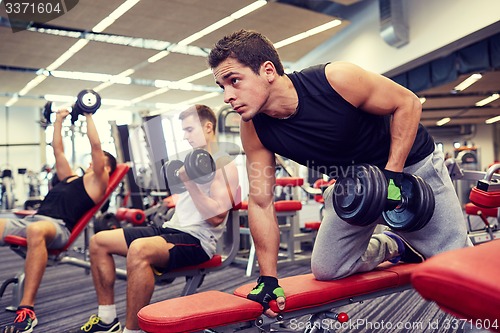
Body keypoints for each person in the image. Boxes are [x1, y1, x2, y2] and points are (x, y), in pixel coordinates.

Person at [208, 29, 472, 317]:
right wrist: (269, 278)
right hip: (355, 185)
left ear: (268, 70)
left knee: (458, 266)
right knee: (328, 269)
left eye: (234, 81)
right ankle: (394, 244)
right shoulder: (254, 129)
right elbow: (261, 201)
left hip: (410, 166)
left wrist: (392, 176)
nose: (227, 96)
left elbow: (407, 103)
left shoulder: (336, 80)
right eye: (222, 86)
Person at [68, 104, 239, 333]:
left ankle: (132, 331)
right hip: (171, 229)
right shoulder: (197, 160)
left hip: (198, 240)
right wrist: (181, 196)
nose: (185, 136)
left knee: (139, 249)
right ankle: (107, 320)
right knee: (99, 241)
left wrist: (189, 183)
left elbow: (217, 218)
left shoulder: (223, 165)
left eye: (189, 130)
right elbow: (197, 199)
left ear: (208, 127)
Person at [0, 109, 117, 333]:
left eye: (99, 159)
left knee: (35, 230)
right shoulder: (70, 177)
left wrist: (88, 114)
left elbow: (95, 147)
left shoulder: (98, 184)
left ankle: (26, 311)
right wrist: (59, 120)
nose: (93, 160)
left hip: (57, 227)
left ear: (106, 168)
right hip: (34, 221)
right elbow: (57, 149)